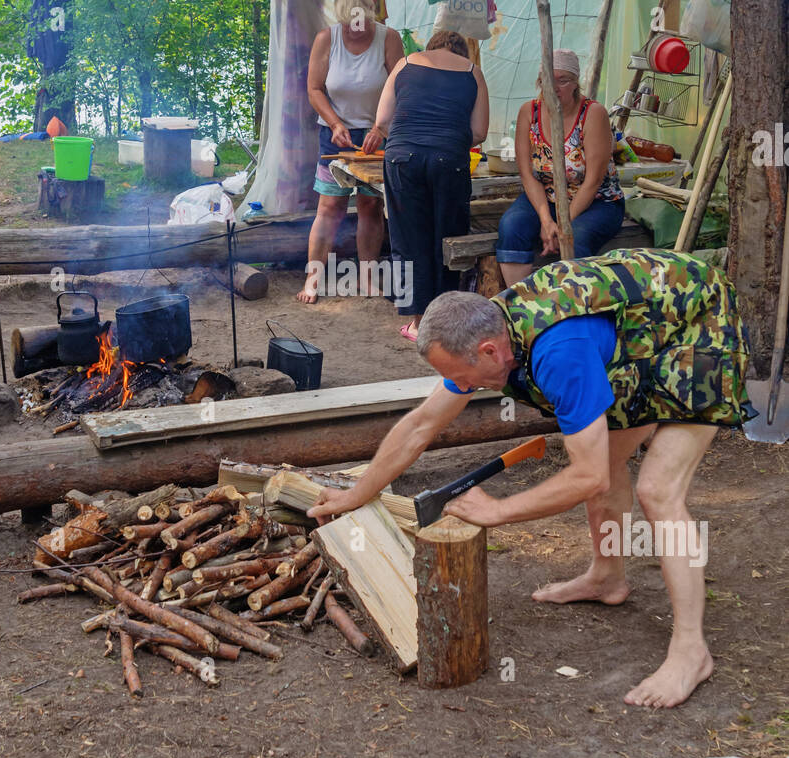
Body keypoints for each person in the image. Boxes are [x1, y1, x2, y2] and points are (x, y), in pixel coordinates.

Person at [309, 248, 753, 710]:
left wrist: (497, 511)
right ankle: (606, 578)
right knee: (606, 458)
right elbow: (422, 424)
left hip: (699, 324)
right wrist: (357, 493)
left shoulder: (559, 354)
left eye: (463, 378)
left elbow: (588, 478)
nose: (463, 387)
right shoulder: (487, 331)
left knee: (657, 491)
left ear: (488, 351)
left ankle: (690, 651)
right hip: (640, 333)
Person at [366, 31, 489, 340]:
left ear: (429, 48)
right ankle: (445, 326)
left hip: (402, 158)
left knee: (409, 241)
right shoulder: (473, 72)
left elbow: (381, 121)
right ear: (464, 53)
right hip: (449, 159)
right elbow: (479, 132)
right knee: (447, 240)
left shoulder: (407, 63)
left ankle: (419, 324)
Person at [297, 0, 404, 303]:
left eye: (362, 21)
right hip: (335, 135)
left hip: (377, 136)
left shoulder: (389, 38)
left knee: (371, 205)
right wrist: (335, 123)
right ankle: (312, 278)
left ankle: (367, 278)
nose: (356, 28)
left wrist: (381, 127)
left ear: (370, 14)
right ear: (341, 19)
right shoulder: (326, 39)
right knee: (330, 207)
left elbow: (403, 86)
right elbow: (314, 88)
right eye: (349, 22)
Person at [497, 49, 624, 286]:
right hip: (546, 197)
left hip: (595, 202)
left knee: (575, 238)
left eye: (563, 80)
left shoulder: (593, 114)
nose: (554, 86)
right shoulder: (529, 112)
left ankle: (570, 309)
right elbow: (528, 175)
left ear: (576, 83)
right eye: (547, 79)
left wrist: (562, 225)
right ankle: (521, 305)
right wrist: (547, 221)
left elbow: (593, 181)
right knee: (511, 227)